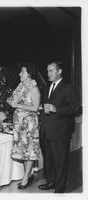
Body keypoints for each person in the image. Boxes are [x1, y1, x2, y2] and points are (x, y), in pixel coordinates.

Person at [38, 61, 79, 193]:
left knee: (60, 161)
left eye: (51, 70)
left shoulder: (68, 87)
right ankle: (51, 181)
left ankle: (60, 188)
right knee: (49, 160)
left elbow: (75, 108)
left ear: (59, 71)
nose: (48, 73)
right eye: (47, 71)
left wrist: (57, 109)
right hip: (46, 130)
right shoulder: (46, 86)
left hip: (60, 131)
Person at [7, 63, 41, 189]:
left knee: (30, 150)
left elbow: (36, 108)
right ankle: (28, 174)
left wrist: (17, 105)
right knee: (23, 151)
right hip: (19, 124)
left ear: (29, 74)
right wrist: (11, 101)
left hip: (29, 124)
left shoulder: (34, 89)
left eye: (22, 72)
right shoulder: (20, 86)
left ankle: (26, 177)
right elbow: (14, 99)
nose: (19, 74)